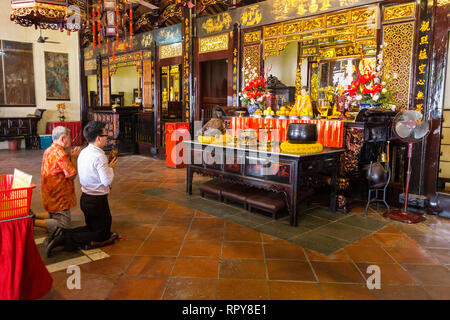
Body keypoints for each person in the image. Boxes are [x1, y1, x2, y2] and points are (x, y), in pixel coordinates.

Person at [45, 121, 118, 257]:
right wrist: (111, 168)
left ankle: (61, 233)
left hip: (86, 199)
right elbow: (107, 180)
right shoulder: (99, 155)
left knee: (91, 228)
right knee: (103, 234)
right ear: (98, 138)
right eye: (105, 135)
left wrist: (106, 168)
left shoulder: (84, 151)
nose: (107, 138)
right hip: (97, 201)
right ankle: (64, 240)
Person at [35, 126, 80, 233]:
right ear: (63, 139)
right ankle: (31, 222)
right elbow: (72, 175)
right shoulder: (60, 154)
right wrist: (74, 158)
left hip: (49, 194)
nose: (72, 139)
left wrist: (70, 156)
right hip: (59, 197)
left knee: (55, 215)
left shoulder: (49, 149)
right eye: (70, 137)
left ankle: (34, 216)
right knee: (64, 225)